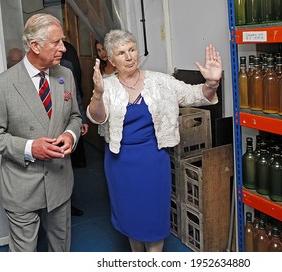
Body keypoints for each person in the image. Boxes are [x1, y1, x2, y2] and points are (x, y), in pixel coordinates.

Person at [87, 29, 222, 252]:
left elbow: (194, 95)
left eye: (132, 49)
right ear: (110, 59)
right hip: (120, 162)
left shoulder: (160, 82)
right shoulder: (107, 86)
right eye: (121, 53)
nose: (129, 57)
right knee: (131, 217)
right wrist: (98, 95)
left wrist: (212, 83)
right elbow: (97, 117)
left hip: (153, 159)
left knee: (154, 217)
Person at [0, 13, 82, 252]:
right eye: (56, 42)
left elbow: (75, 117)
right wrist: (29, 148)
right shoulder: (2, 84)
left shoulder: (65, 75)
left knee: (61, 250)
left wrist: (71, 135)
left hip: (60, 182)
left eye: (63, 40)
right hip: (22, 187)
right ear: (35, 46)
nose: (63, 48)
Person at [61, 40, 89, 216]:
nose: (63, 49)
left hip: (67, 125)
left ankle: (66, 203)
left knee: (66, 167)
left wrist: (82, 119)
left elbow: (76, 95)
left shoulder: (67, 67)